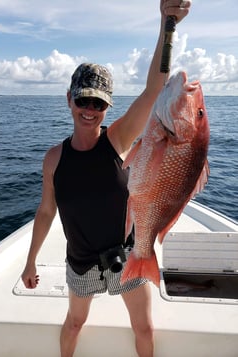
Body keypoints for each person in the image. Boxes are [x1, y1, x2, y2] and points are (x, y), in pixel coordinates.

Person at [21, 1, 191, 356]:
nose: (89, 110)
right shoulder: (54, 159)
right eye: (83, 99)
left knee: (144, 327)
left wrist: (168, 24)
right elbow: (45, 212)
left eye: (98, 104)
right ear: (69, 99)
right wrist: (31, 260)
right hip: (80, 263)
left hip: (128, 256)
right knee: (74, 323)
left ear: (108, 107)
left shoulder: (118, 139)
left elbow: (153, 90)